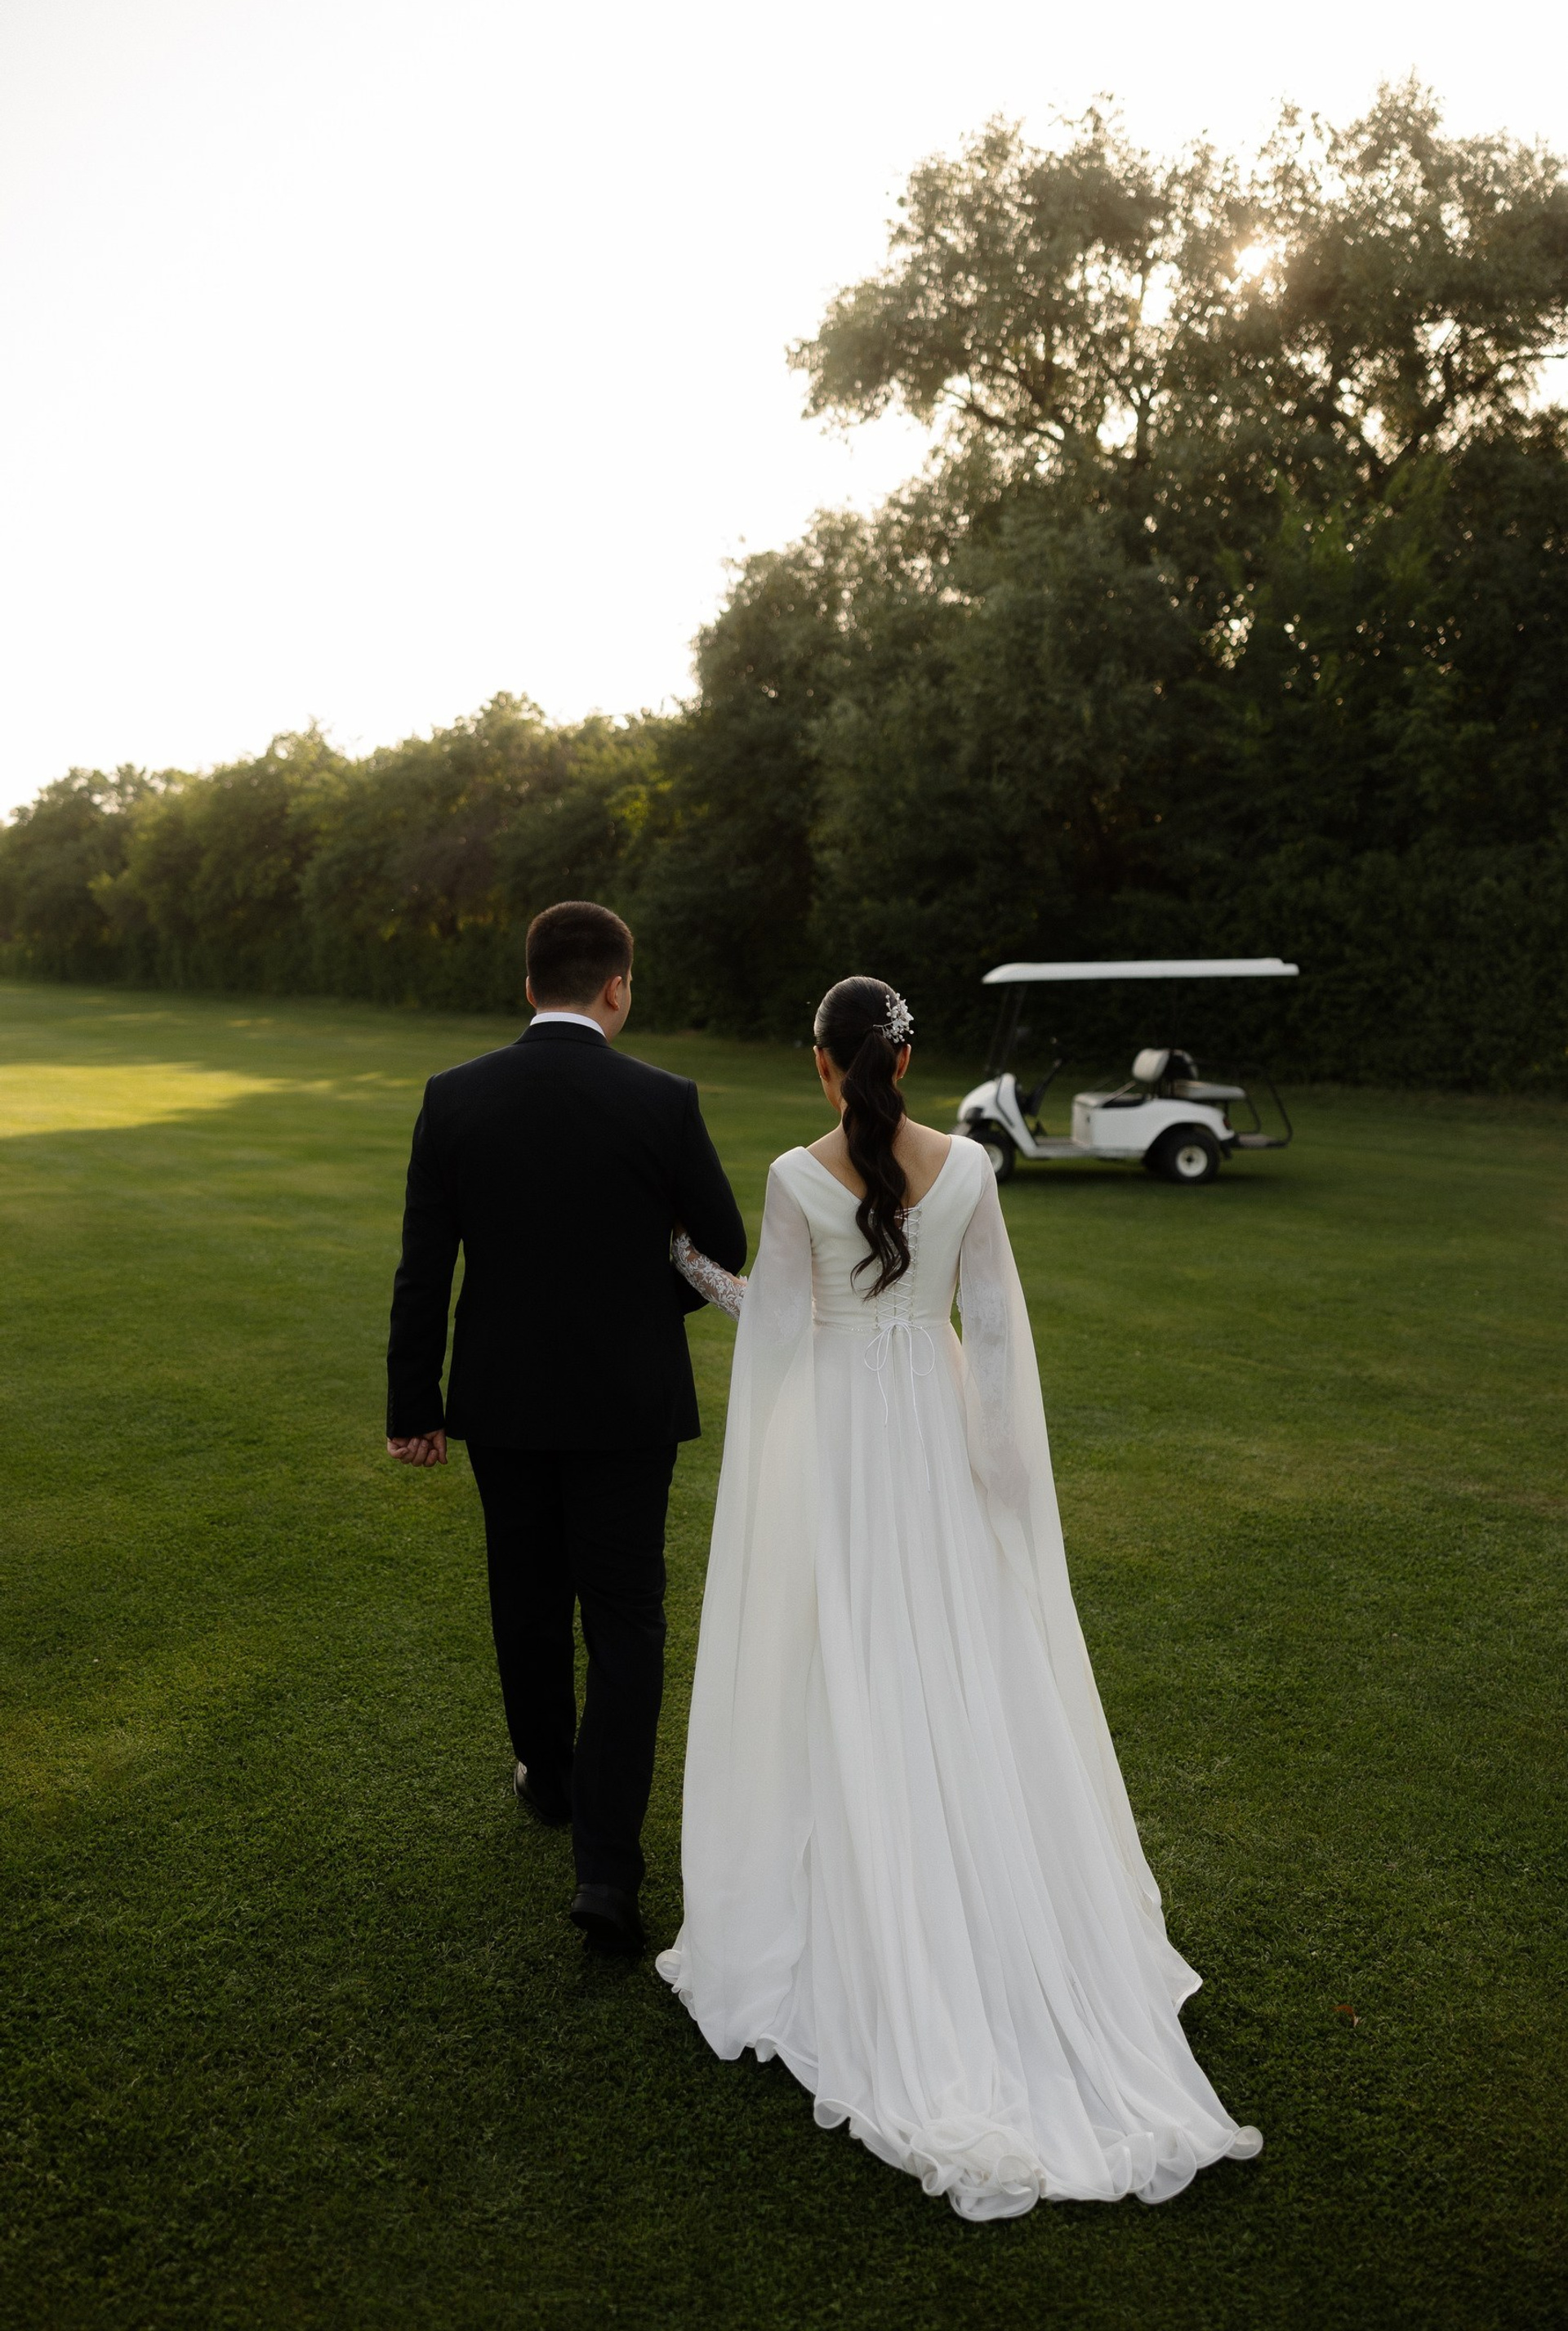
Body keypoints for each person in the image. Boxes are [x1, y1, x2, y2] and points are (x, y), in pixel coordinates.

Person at [659, 975, 1262, 2217]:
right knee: (969, 1656)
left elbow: (774, 1324)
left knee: (854, 1654)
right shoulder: (975, 1169)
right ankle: (997, 1895)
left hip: (844, 1443)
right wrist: (996, 1463)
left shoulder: (792, 1176)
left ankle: (870, 1882)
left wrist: (686, 1264)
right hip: (936, 1432)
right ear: (909, 1057)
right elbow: (990, 1325)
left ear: (821, 1064)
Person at [385, 901, 746, 1957]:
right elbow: (719, 1247)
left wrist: (415, 1403)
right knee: (627, 1620)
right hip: (629, 1404)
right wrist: (634, 1306)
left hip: (501, 1400)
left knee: (527, 1596)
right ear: (618, 987)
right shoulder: (663, 1101)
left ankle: (548, 1777)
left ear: (527, 984)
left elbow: (423, 1269)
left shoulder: (453, 1099)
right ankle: (606, 1871)